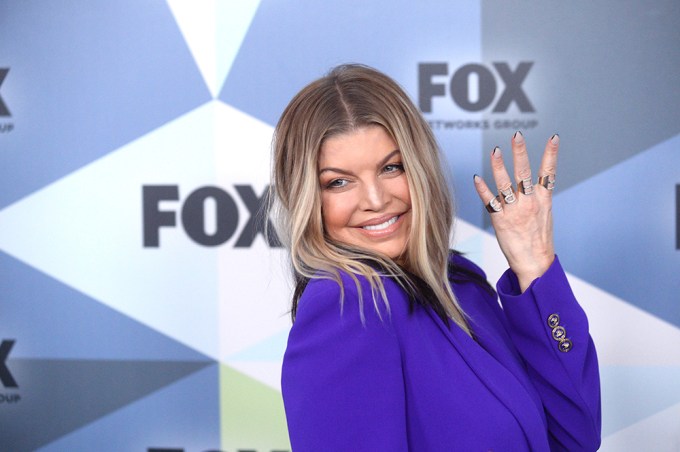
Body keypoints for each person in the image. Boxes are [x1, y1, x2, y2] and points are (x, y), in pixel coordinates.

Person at [270, 64, 601, 451]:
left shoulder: (461, 283)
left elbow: (575, 436)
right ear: (308, 197)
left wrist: (534, 265)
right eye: (338, 182)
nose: (375, 200)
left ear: (419, 168)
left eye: (391, 167)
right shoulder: (345, 306)